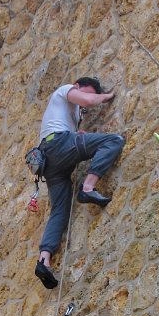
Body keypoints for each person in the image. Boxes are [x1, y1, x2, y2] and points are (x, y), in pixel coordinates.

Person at [35, 77, 125, 289]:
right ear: (77, 86)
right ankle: (88, 187)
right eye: (87, 91)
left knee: (60, 210)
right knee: (114, 140)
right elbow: (88, 101)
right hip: (57, 144)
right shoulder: (65, 89)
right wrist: (106, 96)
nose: (89, 97)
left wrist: (76, 134)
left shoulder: (71, 113)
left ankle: (44, 259)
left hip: (49, 161)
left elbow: (67, 123)